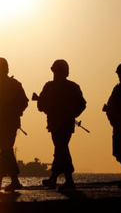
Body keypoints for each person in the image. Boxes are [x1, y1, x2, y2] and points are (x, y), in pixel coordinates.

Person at [37, 60, 86, 190]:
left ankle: (66, 180)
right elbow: (41, 105)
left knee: (61, 148)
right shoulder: (67, 86)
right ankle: (56, 179)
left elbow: (81, 105)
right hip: (57, 123)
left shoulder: (52, 87)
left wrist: (70, 114)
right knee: (60, 149)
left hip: (62, 123)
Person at [0, 57, 29, 192]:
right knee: (5, 150)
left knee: (5, 149)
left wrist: (11, 108)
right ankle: (7, 180)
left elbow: (24, 102)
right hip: (5, 122)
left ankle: (6, 180)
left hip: (5, 122)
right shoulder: (11, 84)